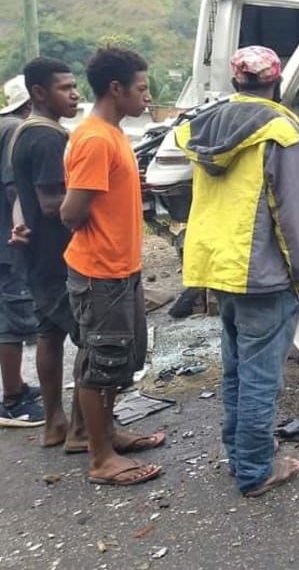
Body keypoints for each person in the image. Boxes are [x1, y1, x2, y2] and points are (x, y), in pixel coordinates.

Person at [176, 45, 299, 497]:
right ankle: (256, 471)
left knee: (236, 371)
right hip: (263, 272)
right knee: (260, 376)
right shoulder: (280, 130)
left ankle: (240, 456)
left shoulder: (205, 125)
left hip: (218, 266)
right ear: (275, 82)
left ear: (235, 81)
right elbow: (291, 212)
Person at [60, 47, 164, 486]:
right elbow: (71, 212)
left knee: (112, 357)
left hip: (118, 267)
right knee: (103, 360)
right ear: (116, 89)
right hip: (101, 270)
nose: (148, 96)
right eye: (141, 88)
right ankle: (100, 458)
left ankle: (99, 433)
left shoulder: (113, 132)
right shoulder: (96, 139)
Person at [9, 58, 85, 446]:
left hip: (38, 254)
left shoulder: (28, 132)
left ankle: (55, 421)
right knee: (89, 337)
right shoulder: (46, 138)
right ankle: (84, 428)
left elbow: (19, 193)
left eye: (74, 86)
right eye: (64, 88)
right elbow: (54, 203)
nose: (75, 94)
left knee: (49, 333)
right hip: (57, 256)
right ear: (39, 93)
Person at [0, 76, 42, 426]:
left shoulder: (4, 125)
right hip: (8, 242)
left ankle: (18, 387)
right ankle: (13, 399)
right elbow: (15, 189)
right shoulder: (16, 130)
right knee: (14, 319)